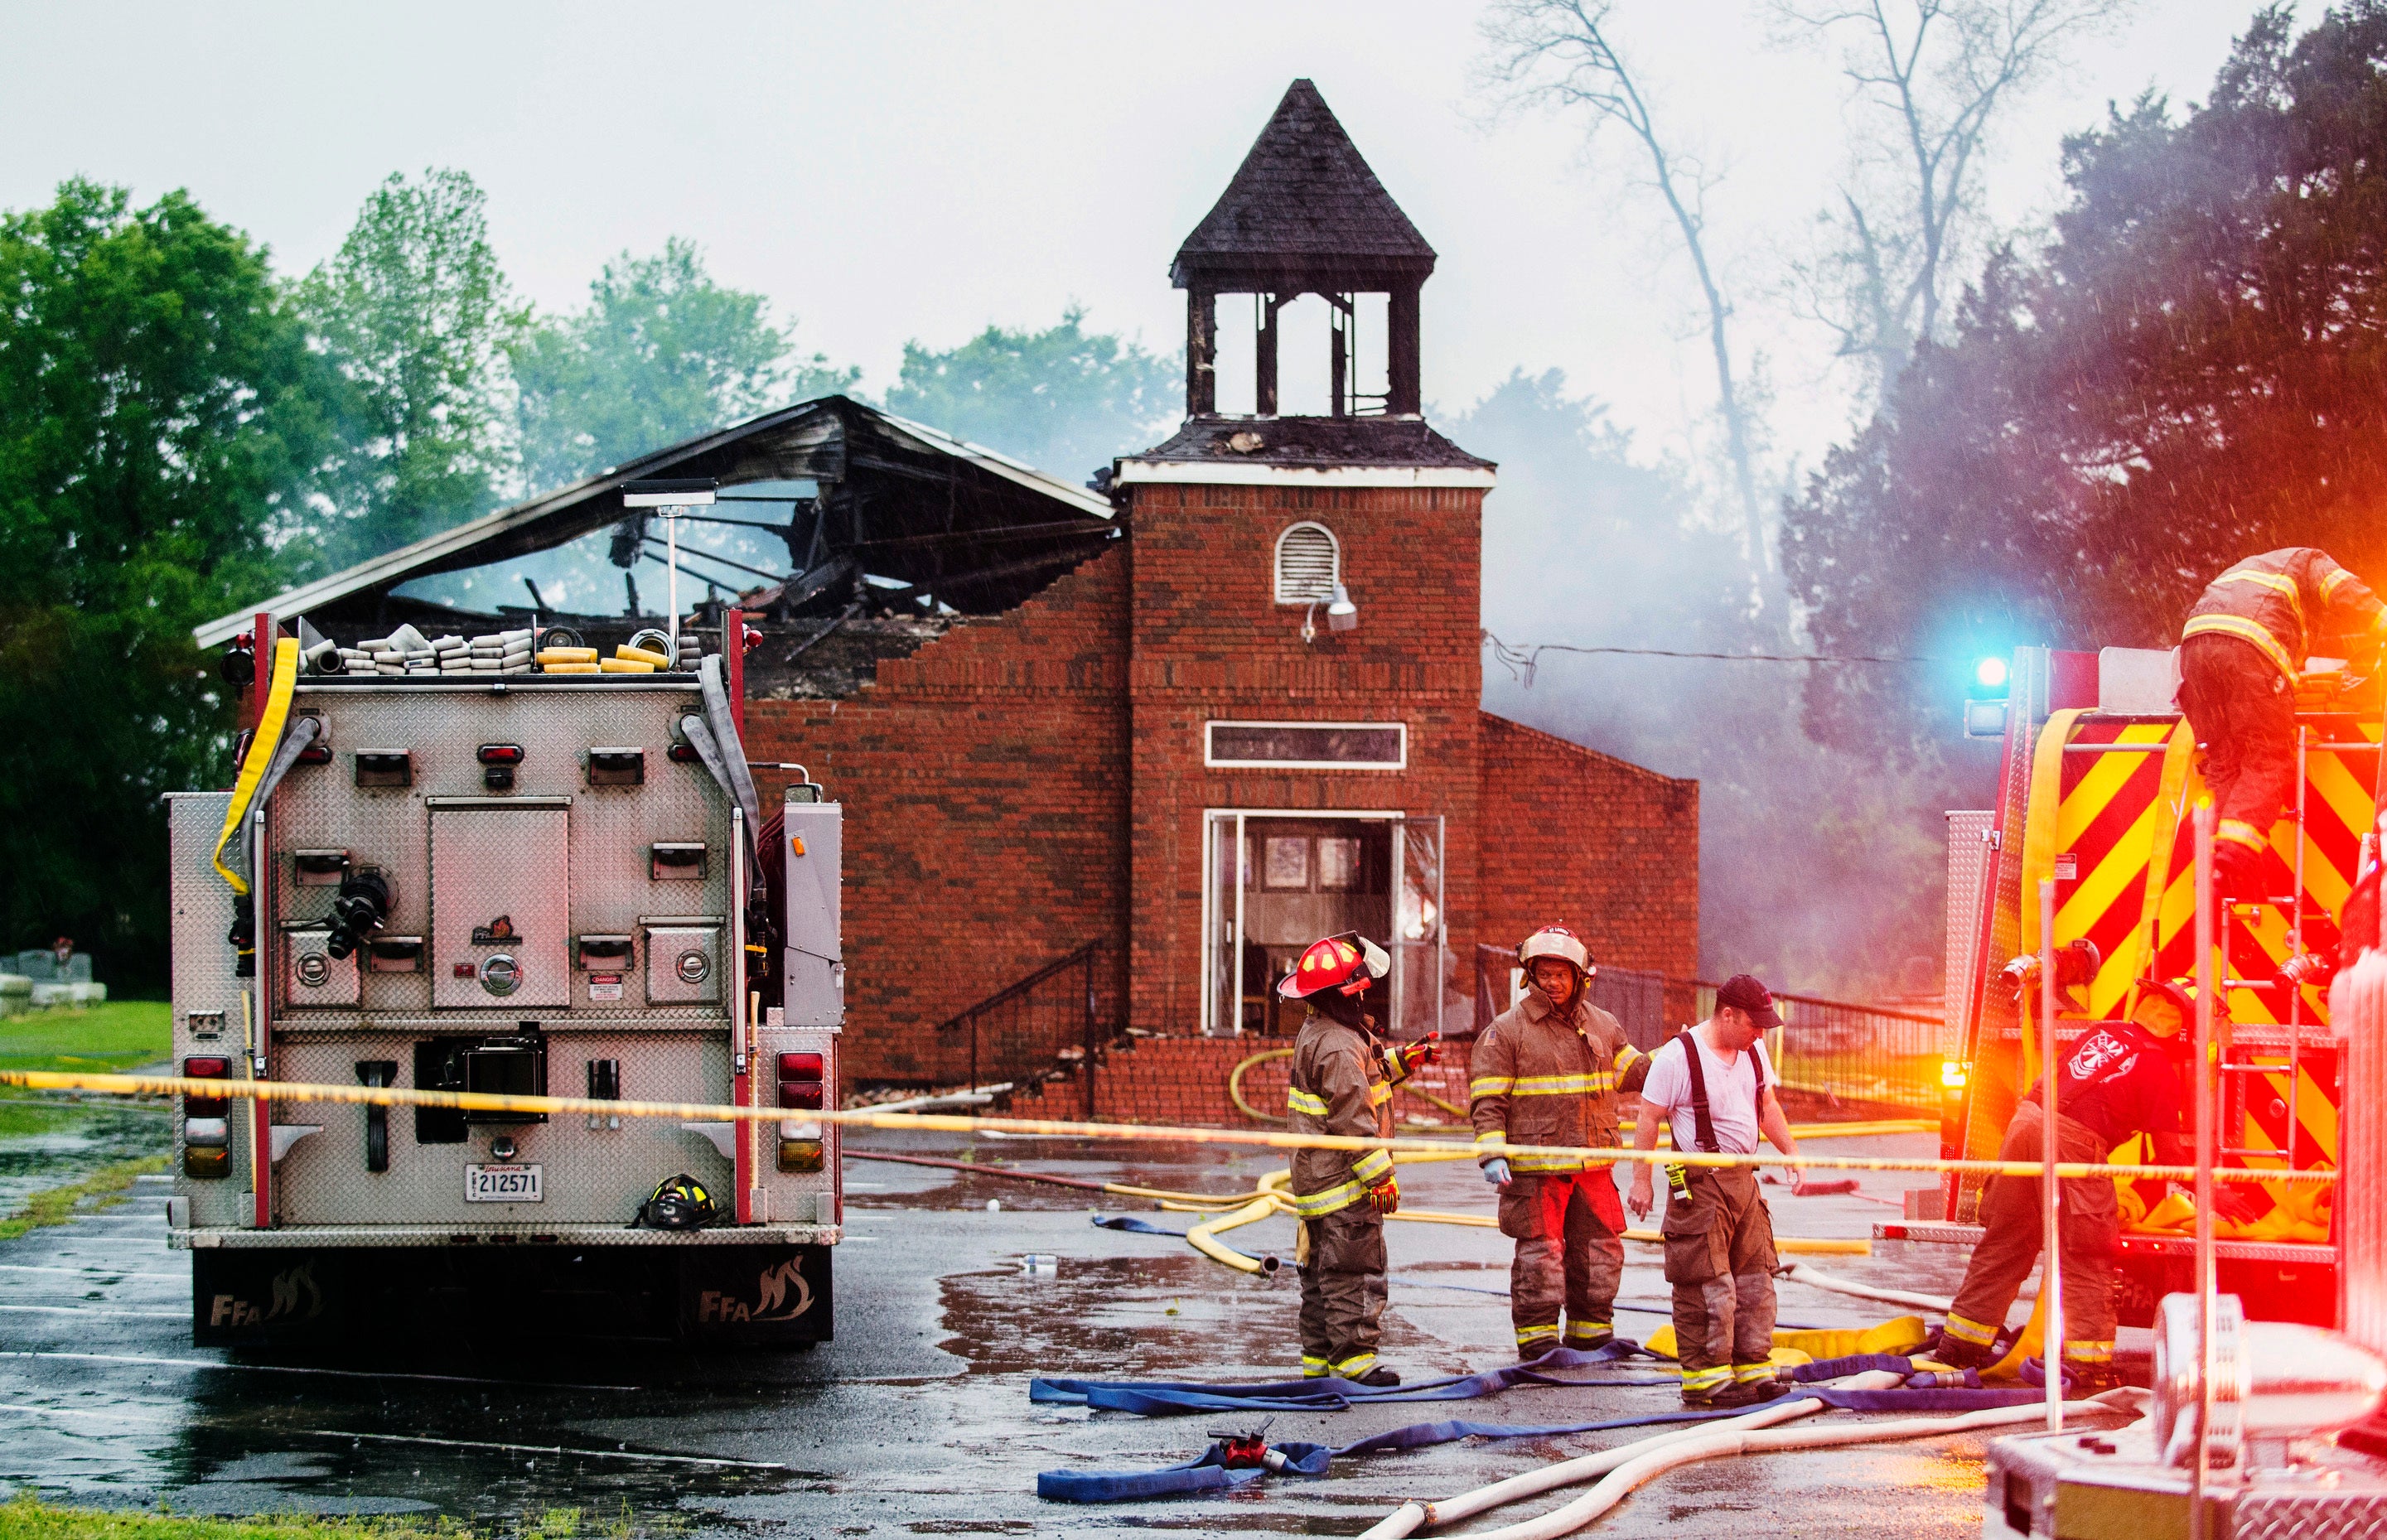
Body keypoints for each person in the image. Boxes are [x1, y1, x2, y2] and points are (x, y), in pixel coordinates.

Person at [1934, 979, 2256, 1386]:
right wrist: (2214, 1194)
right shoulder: (2158, 1067)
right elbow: (2169, 1154)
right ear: (2185, 1030)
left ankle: (1959, 1349)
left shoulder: (2105, 1031)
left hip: (2026, 1122)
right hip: (2073, 1141)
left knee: (2007, 1240)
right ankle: (2088, 1367)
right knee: (2087, 1252)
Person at [1471, 925, 1650, 1359]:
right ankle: (1538, 1341)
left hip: (1592, 1166)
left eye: (1560, 975)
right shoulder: (1506, 1032)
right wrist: (1493, 1154)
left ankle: (1591, 1334)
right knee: (1541, 1257)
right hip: (1537, 1170)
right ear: (1528, 975)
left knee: (1600, 1252)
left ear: (1580, 978)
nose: (1550, 983)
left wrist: (1681, 1052)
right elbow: (1488, 1102)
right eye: (1543, 974)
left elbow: (1637, 1074)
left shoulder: (1604, 1025)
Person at [1626, 975, 1800, 1407]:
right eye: (1753, 1024)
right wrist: (1642, 1180)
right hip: (1699, 1184)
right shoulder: (1677, 1057)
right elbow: (1648, 1119)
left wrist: (1791, 1153)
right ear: (1727, 1014)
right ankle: (1706, 1380)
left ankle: (1753, 1370)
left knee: (1756, 1280)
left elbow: (1768, 1107)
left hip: (1744, 1180)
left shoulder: (1753, 1051)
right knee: (1707, 1283)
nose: (1760, 1034)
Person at [1281, 930, 1438, 1383]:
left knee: (1319, 1279)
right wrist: (1380, 1179)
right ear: (1347, 993)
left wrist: (1404, 1060)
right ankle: (1354, 1363)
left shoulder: (1326, 1033)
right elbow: (1355, 1119)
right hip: (1345, 1189)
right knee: (1353, 1271)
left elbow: (1365, 1075)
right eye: (1363, 987)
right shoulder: (1339, 1045)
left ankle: (1319, 1364)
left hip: (1318, 1186)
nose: (1369, 994)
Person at [2181, 548, 2385, 896]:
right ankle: (2233, 857)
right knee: (2267, 758)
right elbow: (2343, 591)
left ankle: (2213, 864)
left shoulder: (2253, 572)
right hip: (2249, 648)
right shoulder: (2307, 561)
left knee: (2225, 762)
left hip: (2194, 650)